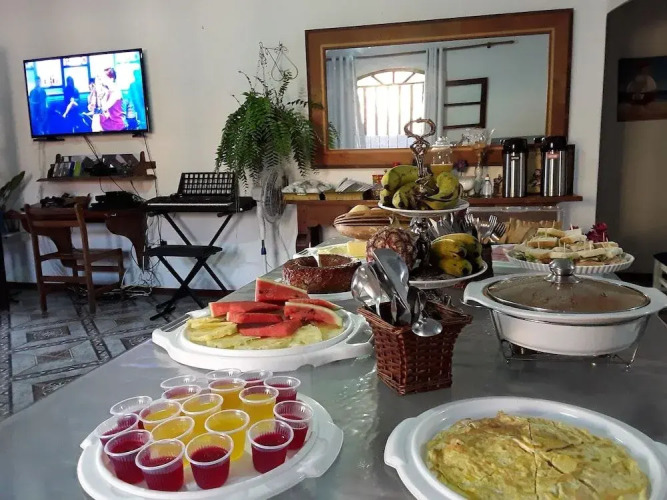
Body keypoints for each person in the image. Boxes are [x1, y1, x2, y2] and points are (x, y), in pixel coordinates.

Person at [99, 67, 126, 131]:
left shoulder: (116, 91)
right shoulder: (109, 90)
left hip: (116, 124)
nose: (102, 80)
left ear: (111, 79)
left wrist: (104, 94)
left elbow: (104, 107)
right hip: (110, 122)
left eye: (104, 78)